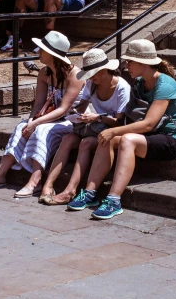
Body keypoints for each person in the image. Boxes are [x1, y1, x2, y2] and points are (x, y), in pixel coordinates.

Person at [67, 39, 176, 220]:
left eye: (130, 61)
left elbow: (148, 124)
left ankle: (114, 200)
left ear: (143, 63)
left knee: (126, 139)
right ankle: (90, 193)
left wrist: (114, 130)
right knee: (105, 138)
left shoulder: (165, 85)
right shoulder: (139, 83)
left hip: (170, 139)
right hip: (148, 136)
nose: (126, 65)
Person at [0, 31, 85, 198]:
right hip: (49, 117)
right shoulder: (44, 73)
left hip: (71, 120)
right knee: (22, 126)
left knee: (42, 131)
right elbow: (38, 103)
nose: (38, 52)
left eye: (42, 49)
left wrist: (36, 124)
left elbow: (63, 109)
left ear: (52, 54)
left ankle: (34, 181)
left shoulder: (76, 75)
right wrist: (31, 120)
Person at [41, 48, 131, 205]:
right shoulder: (91, 84)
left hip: (113, 130)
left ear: (105, 70)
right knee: (67, 139)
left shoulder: (122, 88)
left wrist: (98, 117)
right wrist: (77, 114)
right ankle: (47, 186)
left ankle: (70, 190)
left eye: (94, 73)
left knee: (85, 143)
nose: (91, 77)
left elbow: (120, 122)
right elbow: (82, 104)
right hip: (95, 126)